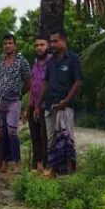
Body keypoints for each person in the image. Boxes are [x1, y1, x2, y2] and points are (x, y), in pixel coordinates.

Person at [35, 28, 83, 178]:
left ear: (64, 40)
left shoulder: (73, 59)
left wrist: (67, 100)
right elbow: (45, 83)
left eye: (55, 41)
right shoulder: (50, 62)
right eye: (51, 42)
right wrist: (38, 105)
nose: (52, 44)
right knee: (52, 139)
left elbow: (78, 81)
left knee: (67, 138)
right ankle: (52, 172)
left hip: (65, 105)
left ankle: (71, 172)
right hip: (50, 105)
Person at [0, 33, 31, 174]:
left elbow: (28, 81)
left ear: (14, 45)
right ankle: (4, 164)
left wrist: (20, 93)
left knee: (12, 132)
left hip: (14, 102)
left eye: (10, 43)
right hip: (0, 103)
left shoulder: (22, 61)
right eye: (5, 43)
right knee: (2, 134)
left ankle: (17, 164)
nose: (7, 46)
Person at [23, 34, 51, 174]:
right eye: (37, 45)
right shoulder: (34, 64)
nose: (39, 48)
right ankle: (39, 167)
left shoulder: (52, 62)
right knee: (35, 136)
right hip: (34, 104)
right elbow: (32, 86)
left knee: (46, 136)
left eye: (42, 45)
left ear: (48, 46)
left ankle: (48, 167)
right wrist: (28, 108)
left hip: (46, 105)